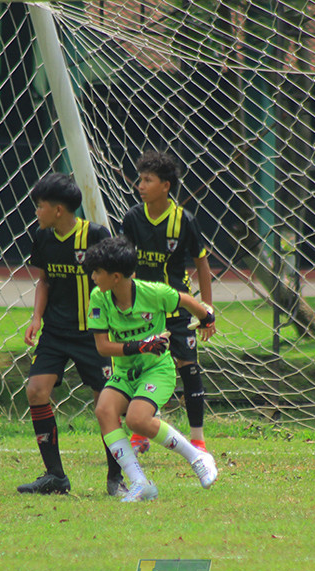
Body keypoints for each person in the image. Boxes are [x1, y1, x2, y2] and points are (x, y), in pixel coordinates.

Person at [85, 235, 218, 502]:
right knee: (104, 410)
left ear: (116, 276)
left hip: (156, 370)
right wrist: (139, 346)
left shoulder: (152, 293)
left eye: (98, 271)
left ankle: (198, 457)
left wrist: (207, 318)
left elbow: (187, 300)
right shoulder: (99, 297)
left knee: (137, 419)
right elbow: (102, 346)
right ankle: (140, 483)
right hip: (125, 372)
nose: (93, 276)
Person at [19, 173, 125, 496]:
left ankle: (115, 478)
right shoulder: (42, 237)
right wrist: (36, 317)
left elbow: (115, 282)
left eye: (40, 206)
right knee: (36, 390)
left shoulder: (95, 236)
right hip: (55, 331)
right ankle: (55, 477)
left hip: (92, 335)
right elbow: (45, 280)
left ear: (59, 210)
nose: (36, 212)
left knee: (105, 404)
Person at [119, 151, 215, 454]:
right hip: (143, 309)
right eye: (140, 179)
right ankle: (141, 431)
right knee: (141, 363)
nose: (140, 185)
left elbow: (202, 264)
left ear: (166, 186)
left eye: (148, 180)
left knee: (188, 367)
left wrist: (207, 308)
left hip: (177, 308)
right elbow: (125, 264)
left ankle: (197, 438)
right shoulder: (133, 218)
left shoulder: (184, 221)